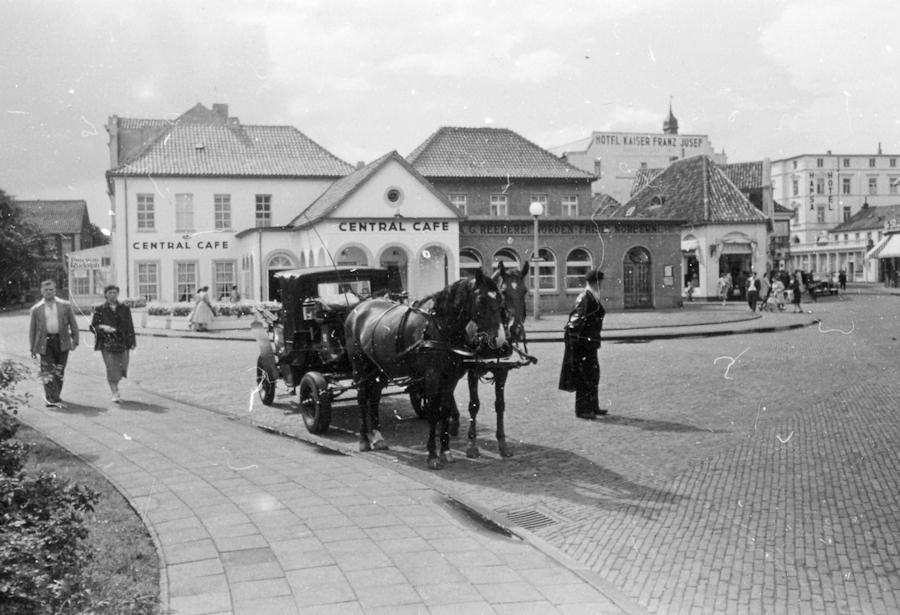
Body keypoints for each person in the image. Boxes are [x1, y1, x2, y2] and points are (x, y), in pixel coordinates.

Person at [559, 268, 606, 419]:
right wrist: (575, 344)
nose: (600, 286)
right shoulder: (585, 298)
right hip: (583, 346)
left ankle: (593, 406)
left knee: (593, 375)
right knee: (584, 377)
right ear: (594, 283)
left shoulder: (592, 296)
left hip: (591, 344)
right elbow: (575, 321)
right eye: (598, 283)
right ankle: (582, 410)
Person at [28, 280, 79, 407]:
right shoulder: (36, 309)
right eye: (46, 290)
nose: (49, 292)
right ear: (41, 291)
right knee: (47, 371)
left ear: (55, 290)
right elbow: (32, 330)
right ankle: (52, 398)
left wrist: (75, 341)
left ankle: (54, 396)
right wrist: (32, 348)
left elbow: (74, 325)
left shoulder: (65, 305)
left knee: (59, 370)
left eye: (51, 289)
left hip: (62, 341)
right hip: (45, 343)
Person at [89, 285, 136, 403]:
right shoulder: (99, 309)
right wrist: (104, 328)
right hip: (107, 343)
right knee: (111, 368)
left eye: (115, 292)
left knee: (122, 367)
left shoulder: (124, 308)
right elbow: (93, 326)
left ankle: (115, 385)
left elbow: (130, 326)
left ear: (118, 294)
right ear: (105, 294)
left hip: (123, 342)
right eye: (110, 293)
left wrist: (132, 342)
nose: (112, 295)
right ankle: (115, 392)